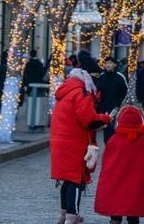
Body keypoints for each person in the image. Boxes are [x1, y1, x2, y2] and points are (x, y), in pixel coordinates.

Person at [50, 67, 111, 224]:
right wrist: (105, 118)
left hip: (60, 140)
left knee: (67, 178)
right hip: (74, 141)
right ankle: (72, 217)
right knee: (77, 179)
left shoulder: (67, 89)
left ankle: (63, 215)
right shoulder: (82, 91)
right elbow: (88, 120)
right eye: (95, 76)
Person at [94, 106, 144, 223]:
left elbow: (107, 165)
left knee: (116, 206)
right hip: (136, 184)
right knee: (133, 210)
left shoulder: (114, 140)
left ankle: (115, 220)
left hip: (116, 181)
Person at [96, 56, 129, 143]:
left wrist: (118, 103)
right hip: (103, 107)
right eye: (106, 63)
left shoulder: (120, 77)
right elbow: (97, 89)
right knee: (106, 128)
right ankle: (108, 146)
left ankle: (114, 146)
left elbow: (124, 91)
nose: (108, 65)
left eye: (110, 63)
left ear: (114, 65)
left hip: (115, 107)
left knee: (113, 128)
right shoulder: (102, 77)